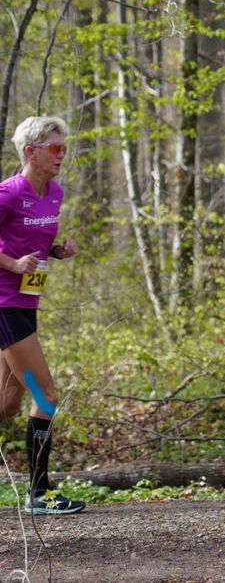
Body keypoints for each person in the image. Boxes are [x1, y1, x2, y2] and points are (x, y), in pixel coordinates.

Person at [0, 116, 85, 515]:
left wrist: (57, 252)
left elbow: (36, 241)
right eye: (54, 148)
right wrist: (14, 266)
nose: (61, 155)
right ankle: (39, 493)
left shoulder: (54, 194)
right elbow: (14, 254)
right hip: (5, 307)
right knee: (45, 394)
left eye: (63, 148)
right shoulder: (7, 193)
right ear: (30, 152)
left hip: (26, 306)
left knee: (7, 405)